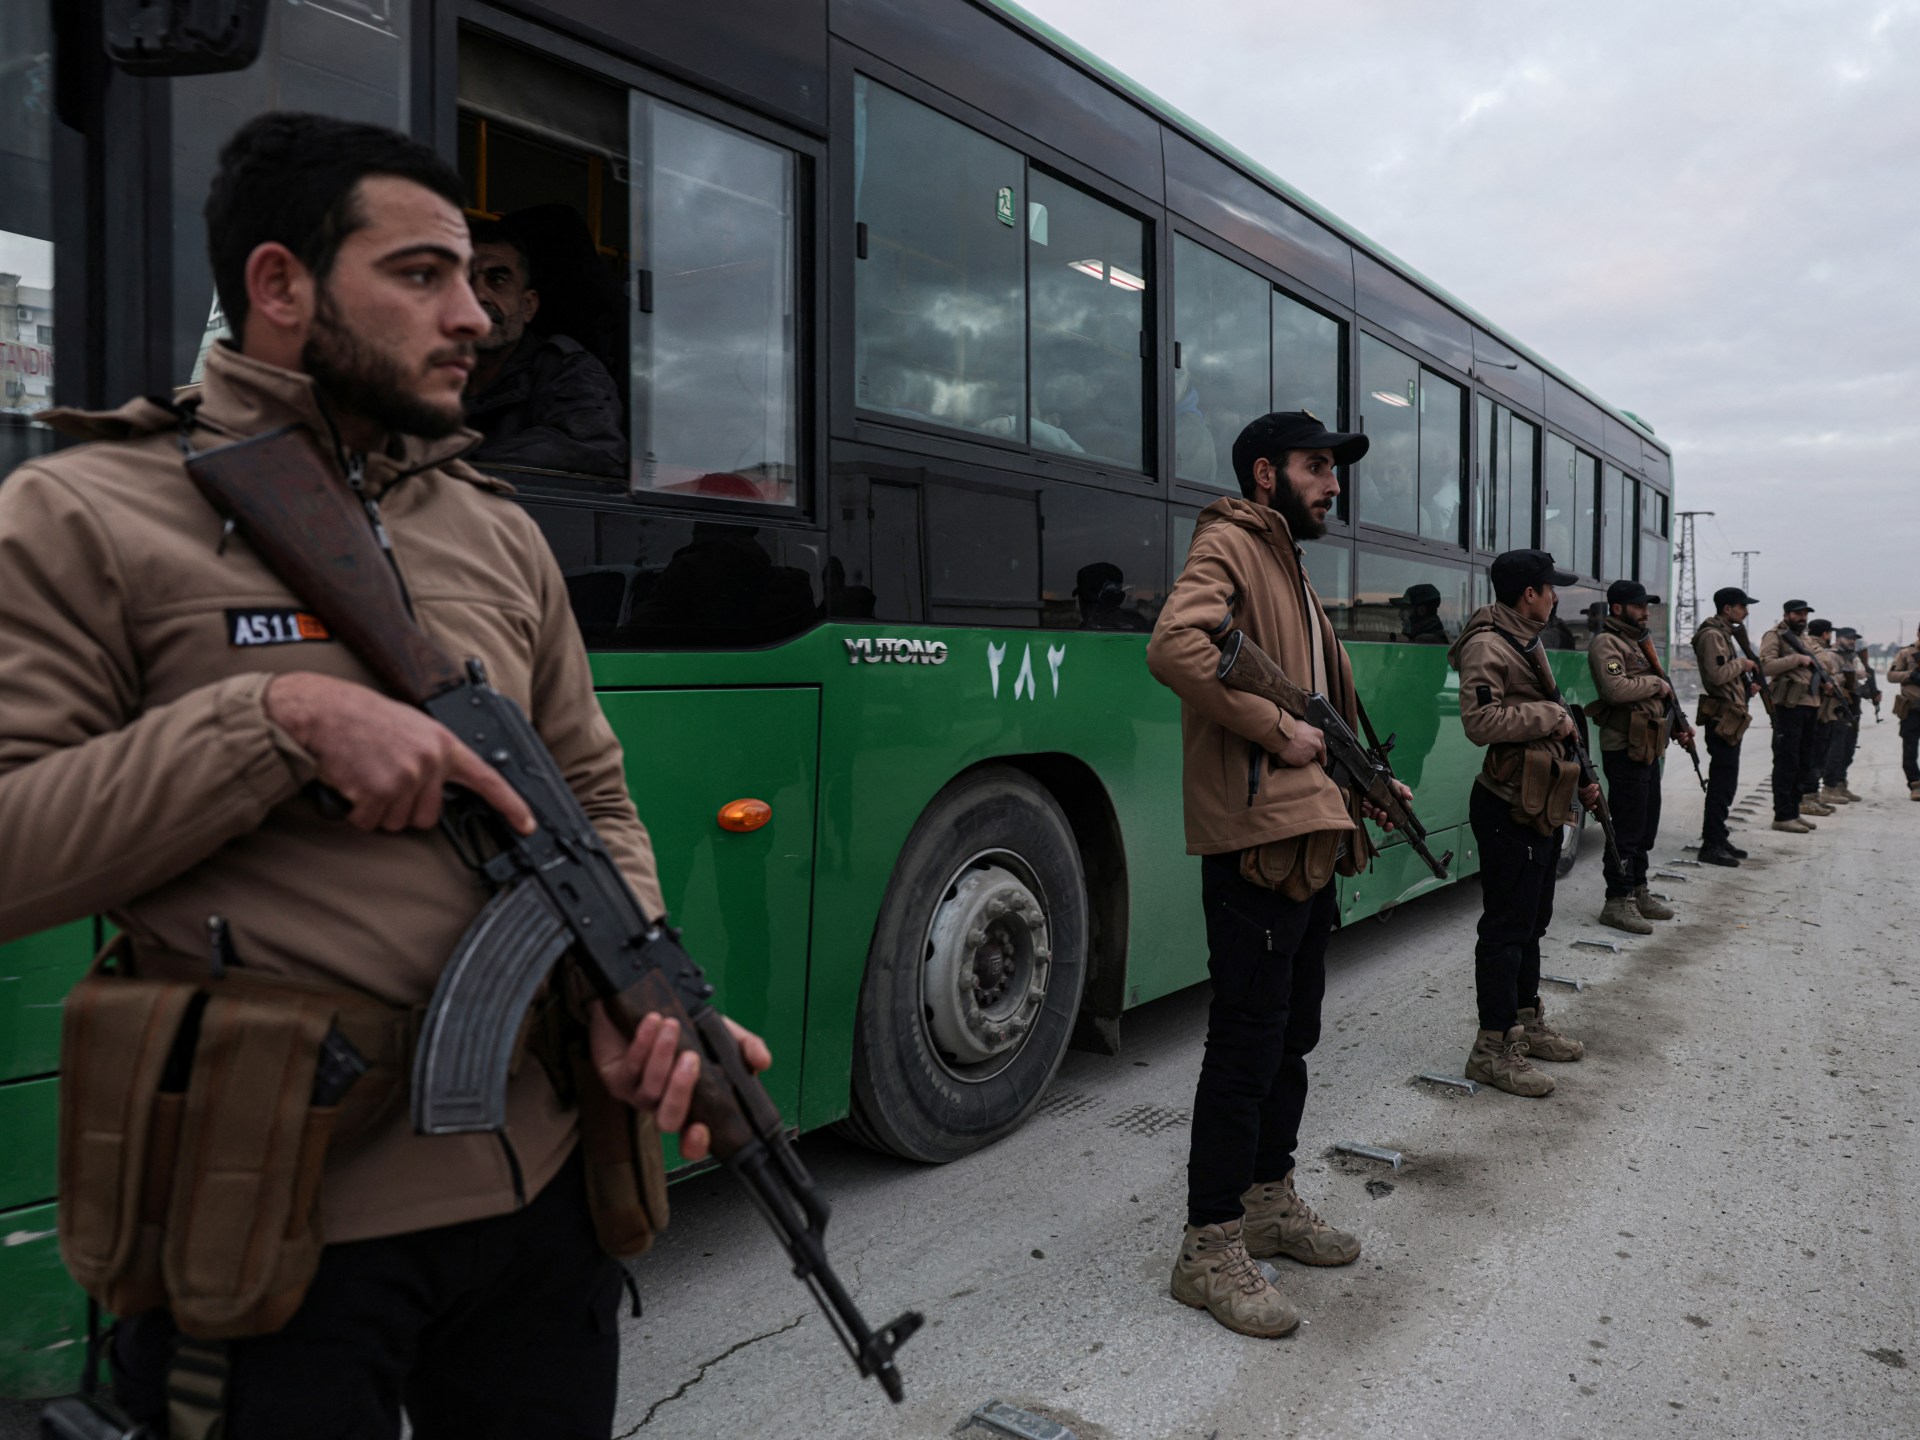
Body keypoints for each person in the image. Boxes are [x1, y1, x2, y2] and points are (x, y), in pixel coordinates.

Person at [0, 113, 767, 1438]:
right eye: (422, 275)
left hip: (541, 1204)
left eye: (475, 279)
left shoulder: (497, 529)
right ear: (281, 285)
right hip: (275, 1221)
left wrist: (626, 989)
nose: (472, 315)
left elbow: (592, 792)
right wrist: (274, 720)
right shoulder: (89, 513)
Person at [1146, 411, 1408, 1338]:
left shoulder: (1289, 562)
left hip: (1305, 833)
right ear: (1266, 474)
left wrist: (1363, 779)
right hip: (1257, 836)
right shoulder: (1231, 540)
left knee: (1292, 1035)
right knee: (1247, 1044)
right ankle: (1209, 1246)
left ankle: (1266, 1200)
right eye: (1315, 466)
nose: (1332, 482)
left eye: (1333, 467)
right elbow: (1176, 646)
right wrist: (1276, 730)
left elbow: (1320, 707)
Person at [1449, 549, 1602, 1097]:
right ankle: (1492, 1048)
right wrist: (1552, 716)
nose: (1556, 596)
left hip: (1539, 801)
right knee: (1505, 930)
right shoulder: (1490, 644)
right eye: (1549, 588)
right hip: (1506, 806)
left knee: (1532, 923)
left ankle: (1525, 1022)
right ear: (1528, 594)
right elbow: (1479, 721)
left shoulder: (1524, 637)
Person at [464, 217, 628, 479]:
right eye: (464, 280)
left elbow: (594, 449)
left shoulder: (568, 370)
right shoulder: (418, 371)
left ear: (528, 305)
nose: (478, 295)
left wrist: (463, 467)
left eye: (497, 280)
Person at [1586, 579, 1692, 935]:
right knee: (1627, 829)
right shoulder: (1607, 643)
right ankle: (1617, 901)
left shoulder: (1638, 644)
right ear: (1617, 609)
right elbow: (1615, 690)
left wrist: (1680, 725)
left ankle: (1638, 889)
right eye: (1638, 606)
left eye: (1647, 605)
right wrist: (1656, 685)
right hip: (1624, 747)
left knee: (1645, 825)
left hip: (1648, 746)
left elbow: (1660, 697)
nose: (1646, 612)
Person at [1690, 586, 1761, 867]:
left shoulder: (1724, 634)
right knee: (1721, 782)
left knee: (1727, 782)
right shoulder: (1712, 635)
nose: (1746, 611)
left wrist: (1746, 686)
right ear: (1727, 608)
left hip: (1731, 715)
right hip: (1722, 718)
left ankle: (1718, 836)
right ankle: (1711, 843)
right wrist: (1743, 665)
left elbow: (1727, 676)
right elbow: (1717, 675)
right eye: (1742, 606)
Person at [1757, 599, 1828, 832]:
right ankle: (1783, 815)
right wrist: (1797, 659)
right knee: (1787, 761)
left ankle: (1794, 811)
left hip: (1809, 705)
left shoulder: (1803, 637)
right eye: (1798, 614)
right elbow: (1766, 667)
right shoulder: (1774, 635)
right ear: (1786, 614)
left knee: (1803, 761)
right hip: (1788, 706)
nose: (1803, 618)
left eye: (1805, 614)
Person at [1803, 619, 1851, 809]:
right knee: (1815, 754)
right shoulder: (1816, 649)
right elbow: (1826, 671)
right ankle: (1808, 794)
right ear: (1825, 634)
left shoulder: (1816, 648)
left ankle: (1813, 794)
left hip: (1822, 707)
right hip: (1818, 708)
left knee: (1819, 753)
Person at [1820, 626, 1868, 804]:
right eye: (1848, 638)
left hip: (1853, 706)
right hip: (1838, 707)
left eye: (1853, 639)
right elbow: (1830, 679)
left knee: (1848, 748)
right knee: (1837, 749)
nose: (1851, 641)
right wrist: (1851, 677)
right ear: (1838, 638)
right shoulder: (1831, 656)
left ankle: (1841, 784)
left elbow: (1853, 682)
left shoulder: (1852, 657)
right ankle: (1829, 787)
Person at [1891, 622, 1920, 801]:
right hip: (1912, 708)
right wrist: (1910, 676)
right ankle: (1915, 783)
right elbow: (1891, 675)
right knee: (1910, 747)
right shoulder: (1906, 653)